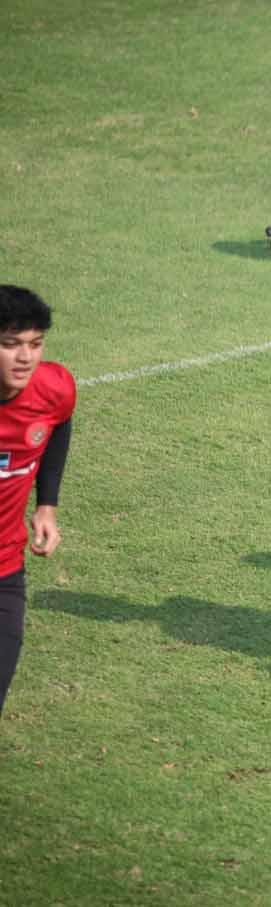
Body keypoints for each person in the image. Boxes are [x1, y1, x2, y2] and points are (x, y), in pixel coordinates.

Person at [0, 285, 76, 718]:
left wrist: (47, 504)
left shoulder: (53, 388)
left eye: (35, 344)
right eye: (11, 344)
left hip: (5, 572)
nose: (26, 357)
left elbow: (60, 423)